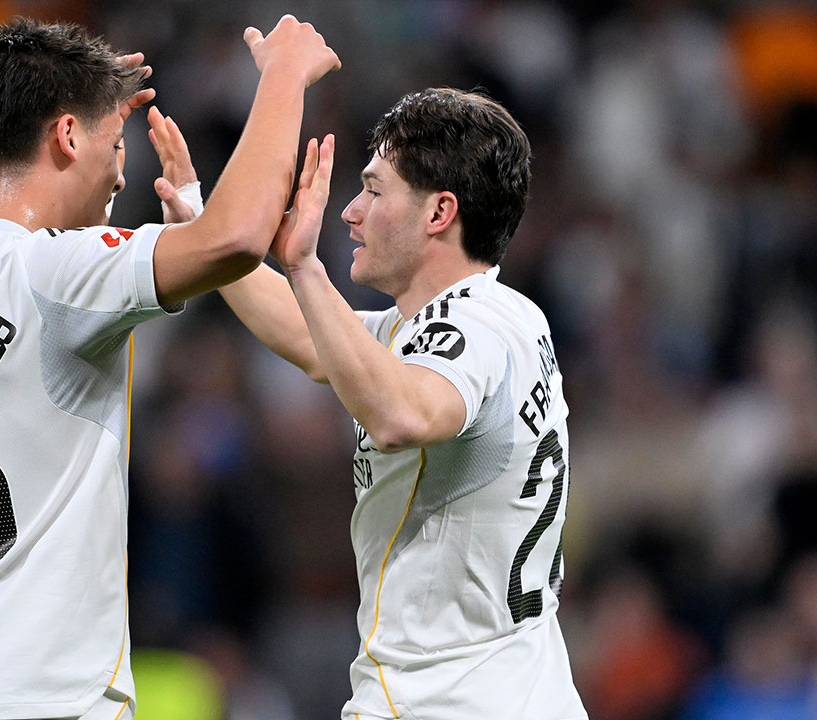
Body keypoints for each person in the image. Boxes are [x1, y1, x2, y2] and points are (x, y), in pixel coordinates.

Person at [0, 15, 339, 720]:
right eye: (115, 145)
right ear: (67, 136)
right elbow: (236, 239)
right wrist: (283, 78)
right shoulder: (57, 272)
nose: (121, 173)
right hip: (35, 697)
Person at [201, 88, 589, 718]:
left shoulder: (469, 330)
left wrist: (305, 267)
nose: (351, 212)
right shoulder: (494, 317)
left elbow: (401, 416)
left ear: (439, 212)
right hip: (523, 690)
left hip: (444, 697)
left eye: (375, 190)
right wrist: (205, 232)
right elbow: (313, 340)